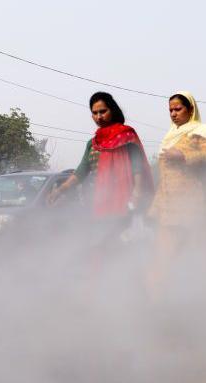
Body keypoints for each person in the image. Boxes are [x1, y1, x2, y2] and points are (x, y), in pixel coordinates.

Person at [47, 92, 152, 263]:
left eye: (102, 111)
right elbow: (81, 171)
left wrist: (138, 194)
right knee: (100, 249)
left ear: (112, 110)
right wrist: (60, 190)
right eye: (95, 113)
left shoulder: (126, 136)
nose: (99, 116)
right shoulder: (93, 143)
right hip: (99, 203)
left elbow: (137, 169)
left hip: (125, 204)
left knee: (124, 250)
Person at [147, 91, 206, 296]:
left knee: (200, 257)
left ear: (190, 109)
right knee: (162, 258)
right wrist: (155, 209)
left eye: (178, 109)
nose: (173, 113)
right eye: (170, 110)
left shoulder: (201, 131)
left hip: (194, 207)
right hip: (169, 210)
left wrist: (183, 155)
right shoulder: (169, 137)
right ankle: (156, 305)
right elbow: (165, 180)